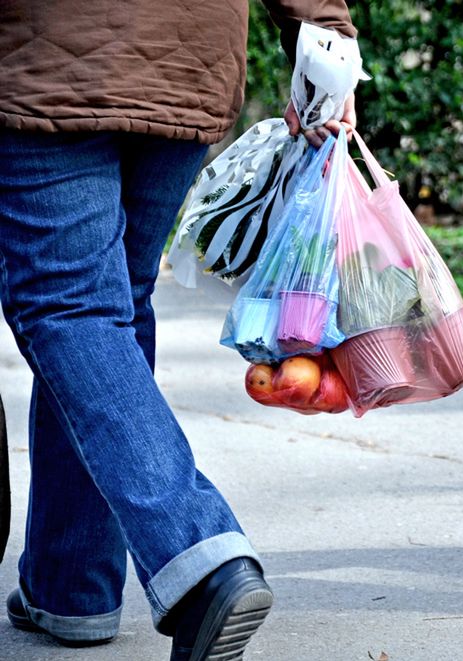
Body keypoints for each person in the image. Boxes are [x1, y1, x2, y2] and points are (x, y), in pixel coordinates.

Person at [0, 1, 358, 657]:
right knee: (111, 309)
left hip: (47, 53)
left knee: (71, 307)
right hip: (188, 54)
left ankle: (198, 555)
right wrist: (327, 31)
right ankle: (69, 585)